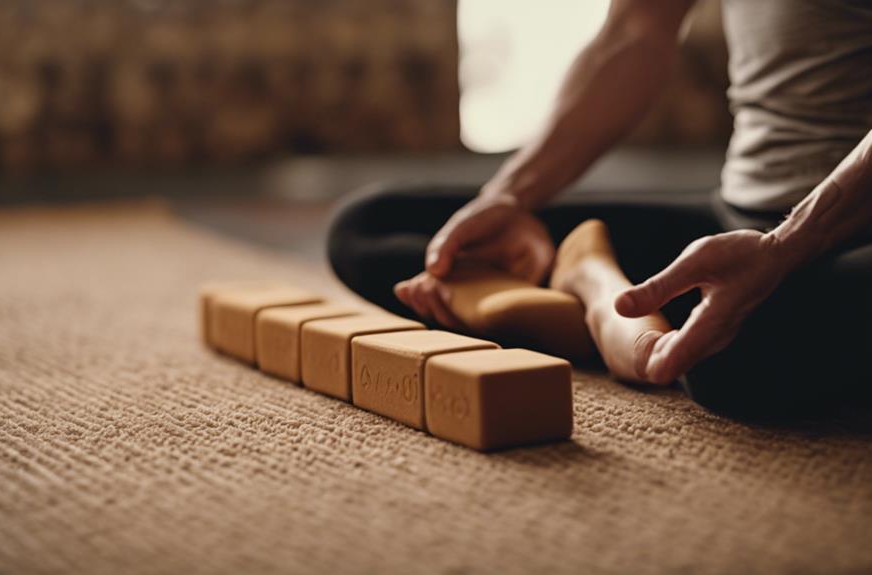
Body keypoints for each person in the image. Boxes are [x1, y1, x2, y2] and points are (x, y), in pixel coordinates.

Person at [326, 0, 872, 420]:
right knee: (370, 227)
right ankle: (624, 313)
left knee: (738, 357)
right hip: (742, 218)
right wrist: (510, 197)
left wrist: (786, 246)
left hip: (845, 239)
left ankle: (591, 293)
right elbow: (635, 31)